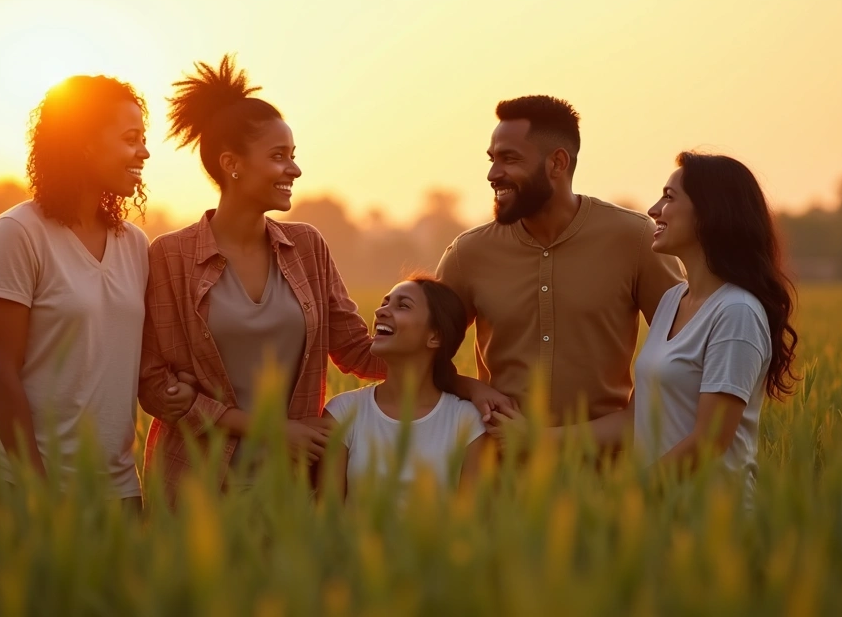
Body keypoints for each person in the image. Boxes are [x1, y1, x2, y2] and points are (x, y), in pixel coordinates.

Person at [138, 54, 386, 503]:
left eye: (293, 156)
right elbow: (154, 385)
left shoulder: (307, 247)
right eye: (278, 156)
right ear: (231, 163)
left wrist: (442, 325)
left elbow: (357, 350)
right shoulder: (170, 256)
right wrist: (272, 430)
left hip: (291, 489)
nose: (294, 169)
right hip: (192, 488)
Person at [493, 152, 800, 507]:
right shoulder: (672, 301)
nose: (654, 210)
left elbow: (710, 440)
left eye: (669, 198)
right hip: (663, 516)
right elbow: (634, 420)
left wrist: (627, 497)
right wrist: (538, 438)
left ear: (710, 212)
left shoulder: (736, 312)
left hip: (714, 518)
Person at [0, 75, 174, 513]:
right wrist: (37, 489)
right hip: (18, 482)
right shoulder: (18, 233)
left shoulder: (135, 245)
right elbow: (0, 373)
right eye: (130, 139)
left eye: (143, 139)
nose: (144, 152)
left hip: (116, 490)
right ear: (85, 145)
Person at [436, 95, 684, 428]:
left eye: (509, 158)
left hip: (607, 455)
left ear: (557, 163)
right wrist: (471, 388)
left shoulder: (636, 239)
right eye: (492, 159)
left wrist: (633, 419)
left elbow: (685, 348)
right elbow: (421, 354)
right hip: (500, 453)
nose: (493, 174)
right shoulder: (468, 253)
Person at [321, 276, 493, 499]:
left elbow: (472, 515)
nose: (380, 311)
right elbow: (328, 513)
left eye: (403, 306)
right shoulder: (343, 413)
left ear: (435, 337)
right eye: (384, 303)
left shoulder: (467, 422)